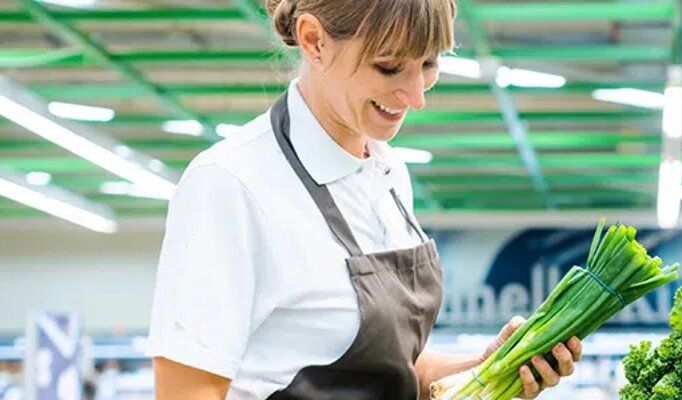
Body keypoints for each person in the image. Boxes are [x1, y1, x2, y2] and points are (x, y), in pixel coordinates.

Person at [145, 1, 582, 399]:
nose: (417, 97)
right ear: (313, 40)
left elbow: (396, 369)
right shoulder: (231, 185)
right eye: (389, 67)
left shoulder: (388, 174)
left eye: (429, 63)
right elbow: (188, 391)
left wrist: (491, 367)